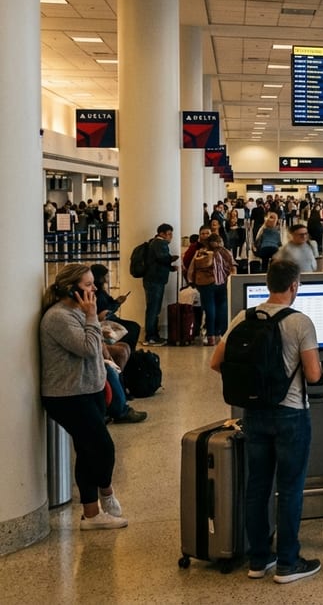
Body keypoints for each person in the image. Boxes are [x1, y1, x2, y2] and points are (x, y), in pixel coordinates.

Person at [207, 260, 323, 582]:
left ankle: (259, 560)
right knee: (289, 489)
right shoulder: (301, 322)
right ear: (294, 286)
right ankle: (288, 562)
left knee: (257, 487)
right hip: (291, 416)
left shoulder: (243, 318)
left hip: (254, 414)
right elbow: (313, 374)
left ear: (268, 284)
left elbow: (216, 362)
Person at [40, 264, 129, 530]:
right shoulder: (59, 317)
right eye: (88, 285)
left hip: (89, 389)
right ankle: (106, 491)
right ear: (71, 288)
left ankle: (91, 514)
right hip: (68, 395)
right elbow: (88, 348)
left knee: (87, 450)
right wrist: (92, 316)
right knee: (103, 448)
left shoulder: (76, 313)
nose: (95, 289)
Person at [190, 234, 236, 346]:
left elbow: (192, 267)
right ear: (219, 241)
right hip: (221, 283)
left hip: (205, 284)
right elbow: (233, 266)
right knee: (222, 308)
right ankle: (220, 335)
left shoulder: (201, 252)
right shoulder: (224, 252)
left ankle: (210, 337)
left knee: (210, 309)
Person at [142, 223, 178, 346]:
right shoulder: (159, 243)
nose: (171, 237)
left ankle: (153, 335)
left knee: (153, 308)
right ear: (161, 234)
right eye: (169, 234)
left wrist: (170, 268)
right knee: (153, 308)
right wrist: (172, 258)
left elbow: (158, 262)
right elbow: (162, 258)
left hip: (153, 279)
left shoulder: (154, 243)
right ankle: (151, 336)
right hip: (155, 281)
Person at [91, 264, 140, 348]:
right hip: (106, 320)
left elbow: (109, 305)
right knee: (133, 327)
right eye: (105, 276)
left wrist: (117, 302)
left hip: (110, 319)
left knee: (133, 327)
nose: (106, 279)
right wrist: (117, 303)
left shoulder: (101, 291)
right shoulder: (97, 293)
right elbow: (105, 312)